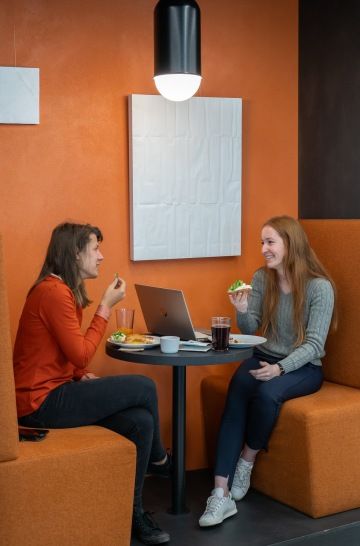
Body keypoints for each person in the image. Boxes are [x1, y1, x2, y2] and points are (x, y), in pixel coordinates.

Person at [13, 222, 170, 545]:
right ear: (74, 253)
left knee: (140, 421)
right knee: (144, 387)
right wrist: (105, 307)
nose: (101, 256)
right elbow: (82, 353)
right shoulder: (54, 293)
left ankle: (134, 513)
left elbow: (59, 354)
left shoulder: (58, 291)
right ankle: (161, 461)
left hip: (55, 391)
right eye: (95, 248)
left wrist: (75, 375)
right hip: (40, 404)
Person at [199, 215, 336, 528]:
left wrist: (280, 368)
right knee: (237, 391)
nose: (263, 249)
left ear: (290, 244)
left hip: (303, 366)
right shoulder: (262, 278)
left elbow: (315, 345)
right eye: (262, 242)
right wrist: (243, 310)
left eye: (270, 242)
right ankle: (220, 494)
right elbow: (252, 331)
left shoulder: (320, 288)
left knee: (266, 394)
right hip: (264, 355)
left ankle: (248, 458)